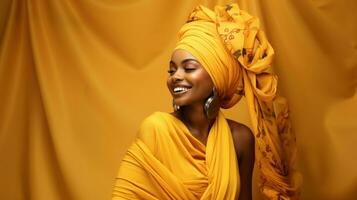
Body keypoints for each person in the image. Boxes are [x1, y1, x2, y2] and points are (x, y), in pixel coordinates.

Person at [112, 3, 301, 200]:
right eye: (172, 70)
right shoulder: (156, 129)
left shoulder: (240, 139)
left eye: (189, 68)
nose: (175, 76)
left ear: (217, 77)